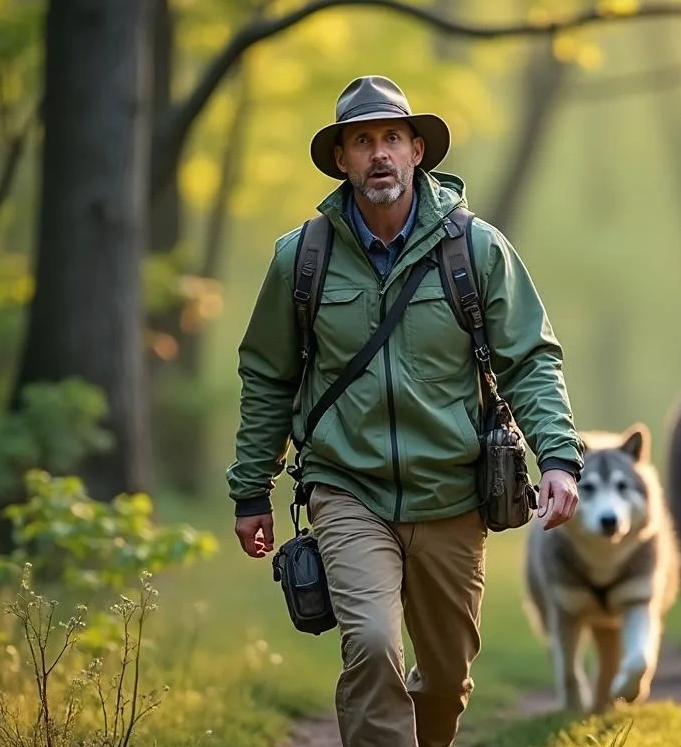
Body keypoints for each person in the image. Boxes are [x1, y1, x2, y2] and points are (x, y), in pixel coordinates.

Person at [225, 74, 585, 747]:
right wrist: (251, 489)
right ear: (342, 159)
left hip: (452, 492)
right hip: (347, 487)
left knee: (445, 679)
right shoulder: (301, 259)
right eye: (362, 142)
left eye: (392, 137)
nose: (379, 154)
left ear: (418, 150)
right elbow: (267, 377)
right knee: (370, 642)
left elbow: (531, 360)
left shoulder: (476, 251)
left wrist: (559, 457)